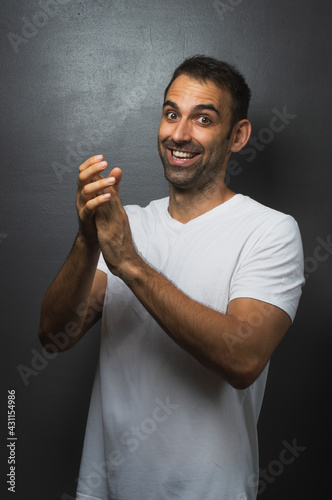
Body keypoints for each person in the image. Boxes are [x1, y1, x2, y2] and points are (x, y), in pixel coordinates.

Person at [39, 55, 304, 500]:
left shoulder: (270, 231)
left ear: (237, 136)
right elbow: (54, 336)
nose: (179, 134)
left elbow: (242, 362)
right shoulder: (130, 224)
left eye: (203, 118)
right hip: (104, 490)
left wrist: (130, 264)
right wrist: (88, 239)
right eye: (171, 113)